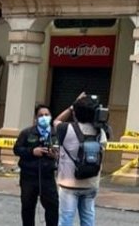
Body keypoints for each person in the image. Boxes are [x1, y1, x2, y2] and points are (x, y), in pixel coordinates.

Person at [55, 94, 108, 226]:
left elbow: (56, 121)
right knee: (88, 219)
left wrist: (71, 107)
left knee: (66, 219)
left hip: (69, 184)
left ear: (75, 113)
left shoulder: (66, 129)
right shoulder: (101, 133)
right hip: (91, 184)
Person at [13, 104, 59, 226]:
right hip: (29, 176)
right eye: (40, 115)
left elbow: (64, 153)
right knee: (28, 207)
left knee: (52, 207)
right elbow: (17, 149)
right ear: (36, 118)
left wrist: (54, 155)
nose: (44, 117)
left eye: (46, 115)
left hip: (47, 176)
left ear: (51, 116)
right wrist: (32, 152)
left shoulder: (56, 134)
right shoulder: (27, 133)